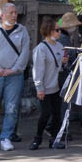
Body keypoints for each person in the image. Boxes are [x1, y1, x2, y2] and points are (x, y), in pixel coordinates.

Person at [0, 3, 31, 151]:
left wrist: (14, 69)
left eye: (16, 13)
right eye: (11, 13)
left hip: (15, 76)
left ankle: (6, 137)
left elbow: (25, 53)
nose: (14, 15)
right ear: (3, 15)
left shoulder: (22, 31)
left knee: (11, 108)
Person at [30, 17, 65, 150]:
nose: (59, 32)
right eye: (57, 30)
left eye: (60, 29)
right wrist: (39, 88)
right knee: (45, 114)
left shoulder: (60, 46)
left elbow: (59, 67)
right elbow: (37, 69)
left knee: (57, 114)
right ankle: (37, 139)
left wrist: (63, 62)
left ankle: (54, 139)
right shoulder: (41, 49)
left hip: (56, 86)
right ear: (49, 31)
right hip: (44, 87)